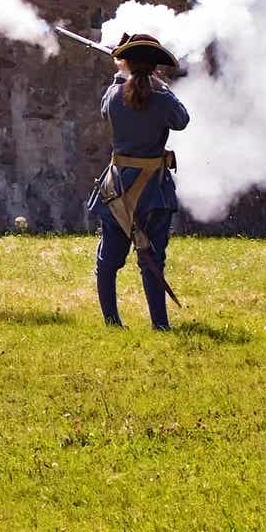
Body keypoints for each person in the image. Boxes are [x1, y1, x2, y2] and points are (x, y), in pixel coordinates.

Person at [86, 32, 190, 330]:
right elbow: (181, 119)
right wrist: (161, 86)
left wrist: (121, 77)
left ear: (126, 63)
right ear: (155, 66)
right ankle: (160, 325)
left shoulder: (113, 93)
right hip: (154, 189)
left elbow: (107, 109)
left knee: (109, 259)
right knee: (153, 260)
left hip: (118, 188)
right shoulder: (161, 98)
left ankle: (112, 322)